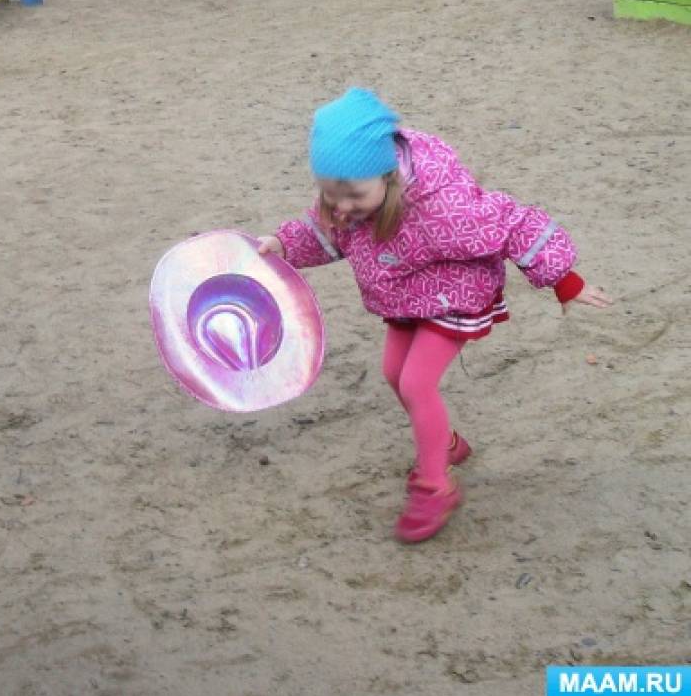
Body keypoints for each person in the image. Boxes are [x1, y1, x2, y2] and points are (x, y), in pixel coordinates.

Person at [256, 88, 610, 544]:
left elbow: (512, 223)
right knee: (392, 372)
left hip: (455, 294)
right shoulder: (348, 200)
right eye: (330, 194)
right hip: (407, 296)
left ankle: (435, 485)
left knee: (415, 383)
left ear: (388, 176)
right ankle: (444, 444)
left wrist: (564, 279)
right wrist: (284, 244)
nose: (341, 206)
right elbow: (324, 233)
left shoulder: (444, 207)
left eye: (354, 195)